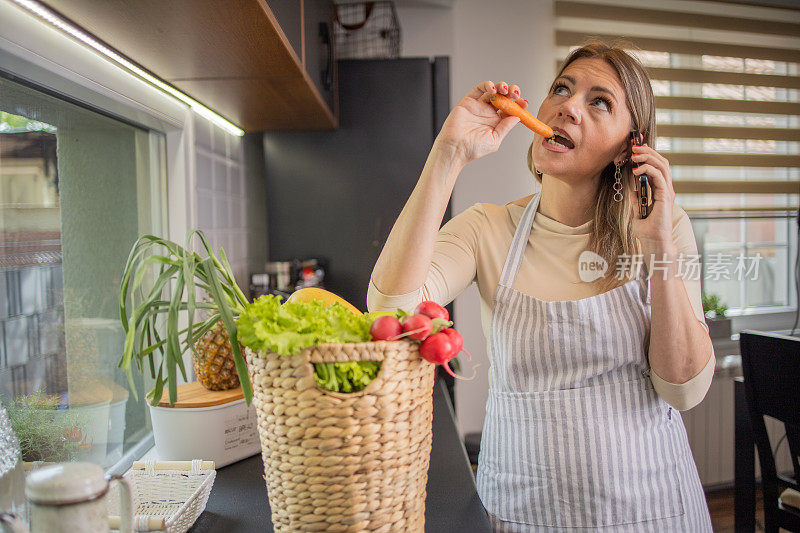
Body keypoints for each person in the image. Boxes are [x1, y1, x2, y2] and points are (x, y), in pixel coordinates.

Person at [367, 39, 715, 531]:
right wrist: (449, 152)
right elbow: (389, 309)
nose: (568, 107)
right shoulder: (485, 228)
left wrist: (659, 245)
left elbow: (683, 390)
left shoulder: (661, 227)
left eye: (600, 102)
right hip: (521, 515)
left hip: (649, 510)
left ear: (629, 146)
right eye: (562, 88)